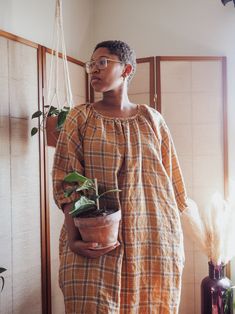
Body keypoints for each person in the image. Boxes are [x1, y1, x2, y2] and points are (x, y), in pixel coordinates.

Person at [52, 40, 187, 314]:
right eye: (91, 65)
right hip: (94, 243)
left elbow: (172, 186)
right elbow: (68, 182)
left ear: (126, 69)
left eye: (102, 62)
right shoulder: (81, 118)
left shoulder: (152, 120)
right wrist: (75, 240)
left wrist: (169, 240)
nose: (93, 70)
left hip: (151, 240)